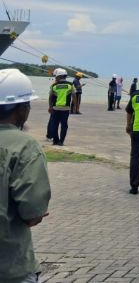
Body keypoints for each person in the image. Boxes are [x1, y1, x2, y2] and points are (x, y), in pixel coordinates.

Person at [0, 69, 52, 283]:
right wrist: (38, 212)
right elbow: (32, 213)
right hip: (10, 265)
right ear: (22, 109)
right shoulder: (24, 146)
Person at [46, 68, 75, 146]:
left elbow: (50, 97)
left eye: (56, 77)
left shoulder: (54, 86)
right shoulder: (70, 85)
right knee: (64, 125)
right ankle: (61, 142)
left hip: (56, 108)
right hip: (66, 108)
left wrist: (50, 107)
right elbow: (74, 96)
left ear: (59, 77)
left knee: (54, 125)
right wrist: (73, 107)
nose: (55, 78)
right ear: (65, 76)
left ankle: (55, 141)